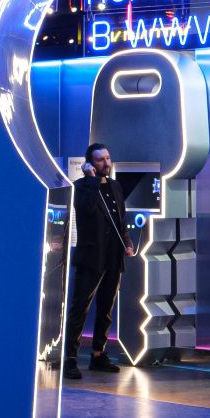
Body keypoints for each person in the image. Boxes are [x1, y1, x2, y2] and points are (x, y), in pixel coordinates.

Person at [64, 141, 134, 374]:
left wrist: (127, 242)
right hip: (91, 257)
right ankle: (70, 358)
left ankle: (98, 354)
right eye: (100, 160)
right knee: (80, 308)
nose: (106, 163)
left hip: (113, 256)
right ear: (90, 164)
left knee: (106, 308)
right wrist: (91, 180)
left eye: (108, 158)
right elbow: (87, 209)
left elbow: (121, 219)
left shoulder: (115, 186)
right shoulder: (80, 187)